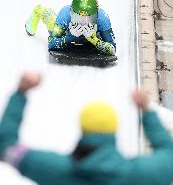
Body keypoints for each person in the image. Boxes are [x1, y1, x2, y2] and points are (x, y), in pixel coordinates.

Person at [0, 72, 173, 185]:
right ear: (114, 131)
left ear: (82, 129)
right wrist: (146, 111)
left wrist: (21, 92)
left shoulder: (55, 169)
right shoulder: (137, 176)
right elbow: (169, 154)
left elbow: (6, 146)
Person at [25, 0, 116, 56]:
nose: (83, 23)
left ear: (96, 16)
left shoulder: (103, 18)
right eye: (79, 18)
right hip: (66, 32)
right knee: (46, 15)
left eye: (89, 18)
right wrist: (71, 36)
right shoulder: (64, 15)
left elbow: (113, 49)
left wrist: (93, 39)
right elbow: (51, 43)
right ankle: (37, 11)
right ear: (71, 14)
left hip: (86, 36)